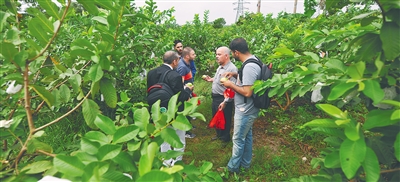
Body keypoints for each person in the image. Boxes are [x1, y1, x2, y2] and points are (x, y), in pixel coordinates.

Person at [220, 38, 261, 173]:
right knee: (246, 136)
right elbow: (249, 79)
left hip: (245, 110)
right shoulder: (253, 60)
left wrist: (230, 84)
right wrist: (235, 74)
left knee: (238, 139)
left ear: (236, 52)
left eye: (232, 53)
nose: (232, 55)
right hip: (249, 108)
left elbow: (247, 92)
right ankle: (245, 164)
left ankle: (233, 168)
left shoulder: (249, 66)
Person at [146, 51, 194, 166]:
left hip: (158, 111)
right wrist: (187, 89)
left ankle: (166, 162)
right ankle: (177, 162)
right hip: (174, 113)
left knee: (164, 137)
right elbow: (181, 97)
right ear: (175, 61)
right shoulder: (174, 76)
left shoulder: (151, 73)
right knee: (179, 139)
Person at [202, 46, 237, 143]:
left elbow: (232, 88)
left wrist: (225, 102)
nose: (216, 56)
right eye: (216, 54)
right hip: (216, 97)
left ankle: (225, 139)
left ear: (226, 56)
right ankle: (219, 135)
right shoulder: (221, 66)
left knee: (225, 119)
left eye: (219, 54)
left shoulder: (231, 69)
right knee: (217, 117)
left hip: (223, 98)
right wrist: (211, 79)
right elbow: (220, 80)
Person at [176, 47, 197, 138]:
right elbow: (180, 82)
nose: (195, 55)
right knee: (185, 111)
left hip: (188, 91)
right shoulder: (182, 67)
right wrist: (186, 93)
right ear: (187, 56)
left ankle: (188, 126)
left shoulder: (187, 64)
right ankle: (186, 132)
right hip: (185, 92)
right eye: (193, 54)